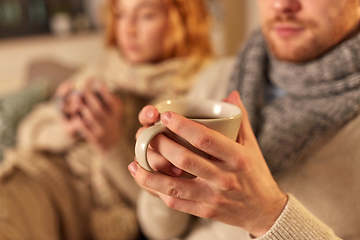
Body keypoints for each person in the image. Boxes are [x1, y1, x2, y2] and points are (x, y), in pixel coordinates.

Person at [130, 0, 360, 239]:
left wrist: (268, 217)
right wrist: (162, 183)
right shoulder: (216, 78)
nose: (281, 5)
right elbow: (160, 231)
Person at [0, 0, 218, 239]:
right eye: (121, 15)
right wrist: (69, 127)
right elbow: (27, 132)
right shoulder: (100, 73)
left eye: (145, 16)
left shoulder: (196, 95)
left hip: (74, 203)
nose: (128, 30)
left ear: (182, 21)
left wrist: (111, 144)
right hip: (38, 175)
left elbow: (164, 208)